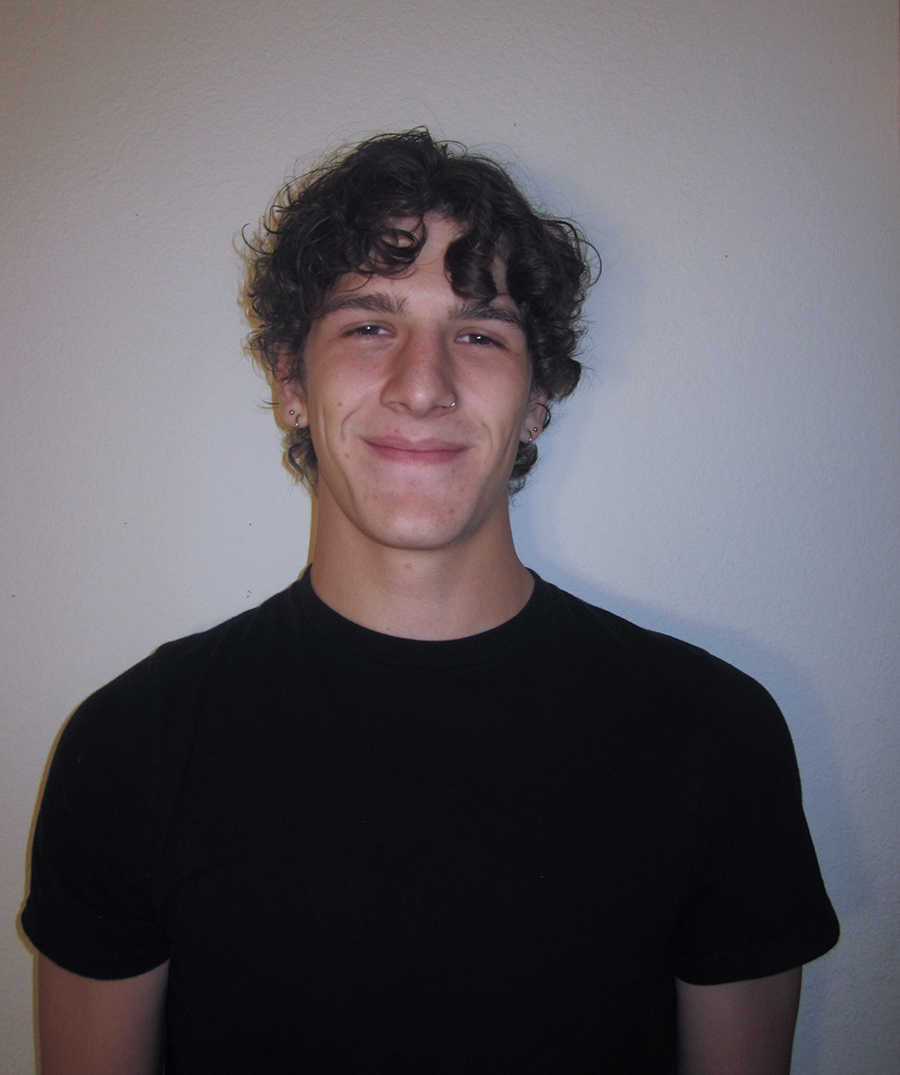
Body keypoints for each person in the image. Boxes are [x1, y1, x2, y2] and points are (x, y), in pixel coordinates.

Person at [22, 129, 838, 1074]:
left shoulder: (714, 735)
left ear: (537, 401)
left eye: (480, 333)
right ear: (292, 381)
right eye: (369, 325)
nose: (422, 385)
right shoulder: (131, 745)